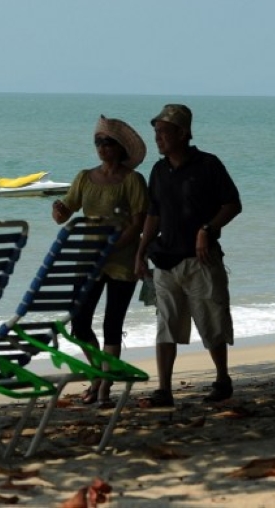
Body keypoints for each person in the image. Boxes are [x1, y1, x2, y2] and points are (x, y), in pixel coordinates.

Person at [135, 104, 242, 407]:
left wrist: (207, 229)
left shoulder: (208, 164)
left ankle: (222, 379)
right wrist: (140, 253)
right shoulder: (158, 170)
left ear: (182, 133)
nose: (158, 138)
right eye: (156, 132)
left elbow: (232, 204)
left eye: (163, 132)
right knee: (166, 326)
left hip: (201, 260)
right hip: (164, 260)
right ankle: (163, 390)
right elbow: (153, 214)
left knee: (212, 322)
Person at [52, 115, 148, 409]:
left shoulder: (133, 180)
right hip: (87, 259)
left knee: (112, 324)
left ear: (120, 148)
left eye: (107, 142)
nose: (102, 147)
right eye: (98, 142)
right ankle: (97, 375)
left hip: (122, 260)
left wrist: (113, 246)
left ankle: (104, 386)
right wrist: (58, 210)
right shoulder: (84, 177)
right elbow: (64, 214)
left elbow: (138, 222)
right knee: (80, 322)